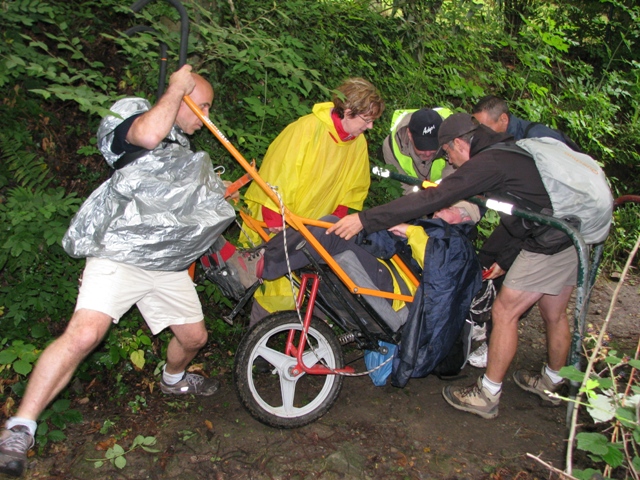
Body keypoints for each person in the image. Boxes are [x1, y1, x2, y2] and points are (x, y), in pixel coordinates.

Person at [0, 65, 236, 477]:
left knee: (195, 336)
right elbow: (145, 136)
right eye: (203, 107)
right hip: (120, 251)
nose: (207, 118)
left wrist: (230, 192)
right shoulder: (136, 114)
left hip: (166, 263)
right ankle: (20, 427)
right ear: (181, 98)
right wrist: (176, 89)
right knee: (85, 334)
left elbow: (194, 207)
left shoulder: (188, 152)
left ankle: (173, 378)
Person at [327, 112, 605, 419]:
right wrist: (501, 257)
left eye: (448, 153)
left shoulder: (488, 163)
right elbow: (527, 212)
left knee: (503, 311)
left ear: (460, 143)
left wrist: (365, 219)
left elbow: (436, 196)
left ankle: (488, 394)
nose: (451, 161)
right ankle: (552, 383)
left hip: (553, 239)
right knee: (554, 313)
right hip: (576, 228)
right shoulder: (511, 148)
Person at [226, 78, 384, 325]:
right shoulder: (307, 130)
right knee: (276, 287)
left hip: (315, 228)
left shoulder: (357, 143)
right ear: (349, 111)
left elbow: (353, 189)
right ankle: (258, 345)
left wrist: (333, 224)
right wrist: (275, 220)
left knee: (313, 287)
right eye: (366, 119)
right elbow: (277, 172)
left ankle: (306, 345)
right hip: (280, 221)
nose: (371, 126)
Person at [381, 107, 454, 195]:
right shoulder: (391, 146)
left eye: (433, 146)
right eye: (422, 147)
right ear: (409, 134)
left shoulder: (452, 139)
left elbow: (454, 179)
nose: (428, 153)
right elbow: (403, 187)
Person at [471, 95, 567, 143]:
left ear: (504, 119)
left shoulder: (537, 137)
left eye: (485, 128)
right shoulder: (501, 139)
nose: (481, 133)